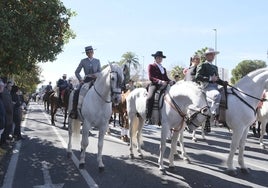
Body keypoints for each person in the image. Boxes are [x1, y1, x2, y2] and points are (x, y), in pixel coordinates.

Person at [69, 45, 101, 119]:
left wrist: (95, 75)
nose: (89, 53)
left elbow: (100, 71)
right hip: (86, 80)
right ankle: (74, 111)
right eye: (88, 52)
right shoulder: (83, 61)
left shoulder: (97, 61)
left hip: (96, 80)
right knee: (77, 91)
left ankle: (109, 114)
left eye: (91, 52)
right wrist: (80, 80)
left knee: (107, 91)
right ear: (86, 53)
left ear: (93, 52)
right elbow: (77, 72)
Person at [195, 48, 227, 119]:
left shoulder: (215, 67)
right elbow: (197, 77)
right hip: (207, 87)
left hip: (215, 86)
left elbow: (217, 79)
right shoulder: (203, 65)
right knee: (217, 95)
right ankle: (212, 113)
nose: (213, 56)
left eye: (213, 54)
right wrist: (209, 78)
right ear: (206, 56)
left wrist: (223, 83)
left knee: (228, 93)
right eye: (211, 54)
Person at [145, 51, 174, 124]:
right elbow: (151, 77)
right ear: (155, 58)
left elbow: (166, 78)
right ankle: (148, 116)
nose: (160, 59)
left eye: (161, 58)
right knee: (150, 98)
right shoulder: (151, 66)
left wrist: (171, 81)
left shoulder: (163, 68)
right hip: (154, 85)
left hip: (163, 85)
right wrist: (160, 81)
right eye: (158, 58)